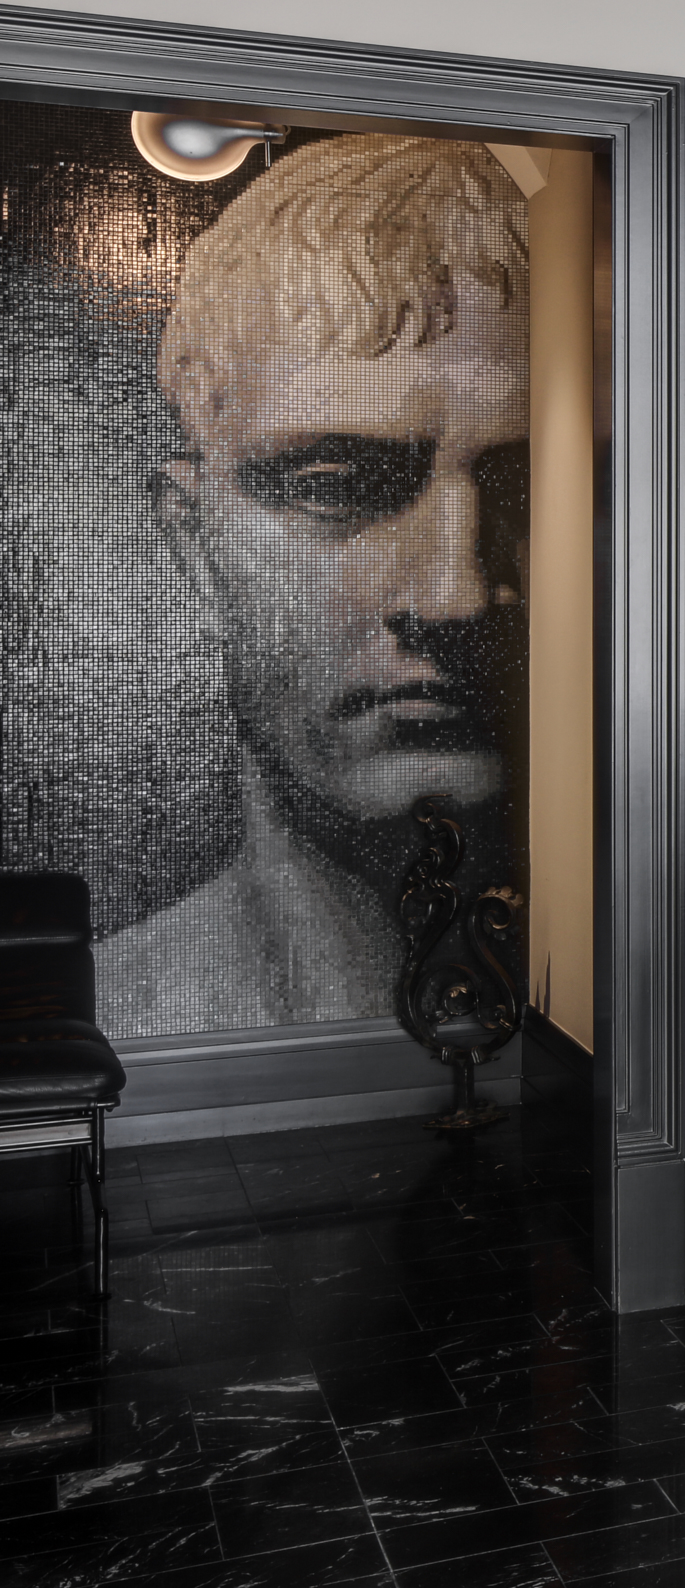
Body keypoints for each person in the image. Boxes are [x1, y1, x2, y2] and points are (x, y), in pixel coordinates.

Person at [94, 136, 530, 1035]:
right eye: (333, 485)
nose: (454, 594)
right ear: (191, 545)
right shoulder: (121, 1008)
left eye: (526, 491)